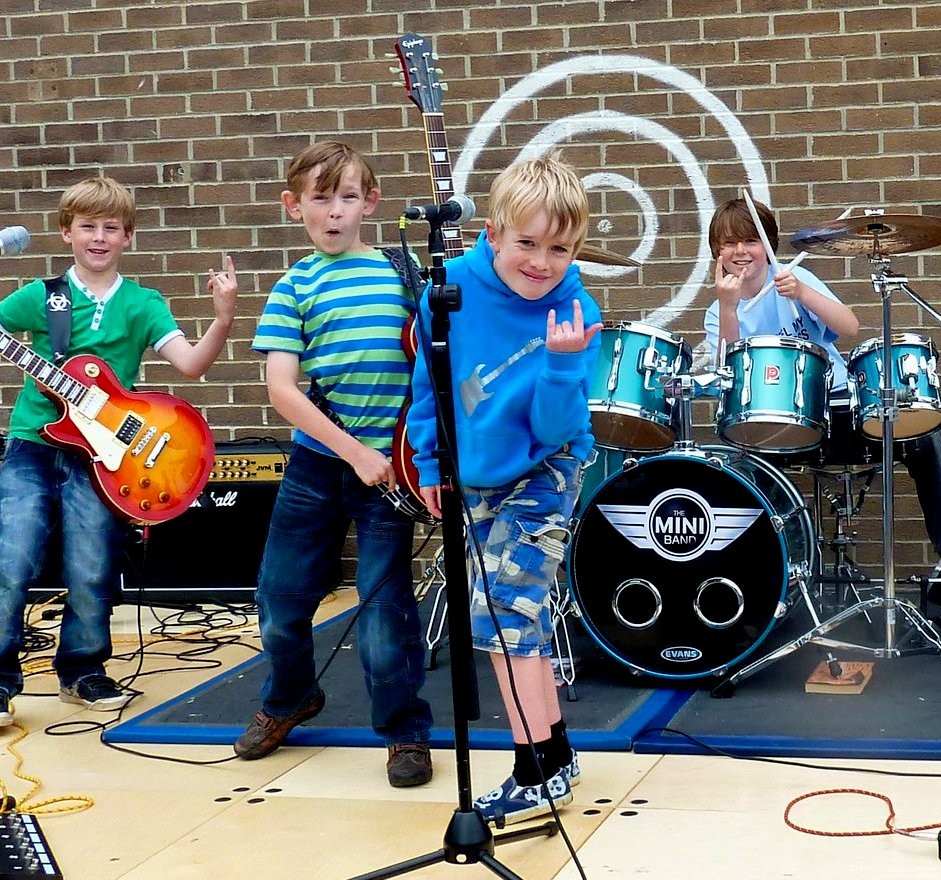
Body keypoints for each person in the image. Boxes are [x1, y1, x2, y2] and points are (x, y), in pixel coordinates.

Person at [407, 150, 601, 824]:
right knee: (517, 616)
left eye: (560, 249)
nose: (542, 262)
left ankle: (533, 773)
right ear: (492, 234)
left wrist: (561, 365)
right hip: (477, 471)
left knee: (503, 619)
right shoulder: (449, 289)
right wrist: (430, 464)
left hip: (546, 466)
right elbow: (429, 387)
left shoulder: (575, 308)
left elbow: (556, 426)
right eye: (528, 243)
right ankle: (555, 757)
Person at [0, 177, 237, 725]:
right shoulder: (41, 297)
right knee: (11, 559)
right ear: (67, 233)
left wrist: (223, 317)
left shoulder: (142, 303)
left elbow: (191, 365)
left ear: (128, 236)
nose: (99, 237)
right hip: (34, 443)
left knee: (92, 566)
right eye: (88, 226)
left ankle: (82, 671)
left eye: (111, 227)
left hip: (106, 458)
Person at [235, 141, 436, 787]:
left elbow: (438, 361)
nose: (334, 211)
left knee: (384, 612)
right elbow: (282, 390)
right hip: (319, 465)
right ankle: (290, 697)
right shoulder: (294, 286)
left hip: (394, 472)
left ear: (369, 203)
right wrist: (354, 452)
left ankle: (404, 730)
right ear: (293, 206)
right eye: (320, 199)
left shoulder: (404, 275)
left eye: (347, 197)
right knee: (280, 600)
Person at [700, 197, 941, 575]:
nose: (740, 251)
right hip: (778, 429)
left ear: (769, 244)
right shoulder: (718, 311)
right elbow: (727, 375)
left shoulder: (793, 277)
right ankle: (772, 573)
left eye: (750, 240)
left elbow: (850, 327)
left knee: (924, 436)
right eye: (729, 243)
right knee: (742, 459)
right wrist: (728, 307)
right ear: (717, 251)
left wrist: (802, 293)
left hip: (841, 410)